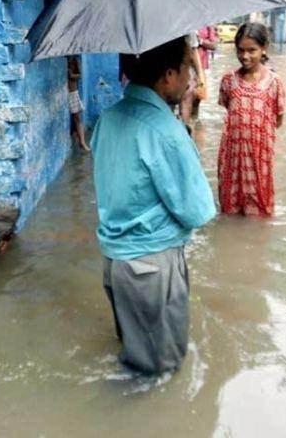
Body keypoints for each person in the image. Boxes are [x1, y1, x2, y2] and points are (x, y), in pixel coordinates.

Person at [91, 37, 216, 374]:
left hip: (115, 262)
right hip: (152, 267)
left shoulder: (108, 118)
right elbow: (198, 211)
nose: (191, 79)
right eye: (187, 70)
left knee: (135, 357)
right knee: (160, 372)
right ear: (168, 76)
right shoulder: (166, 131)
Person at [217, 23, 286, 217]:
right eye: (240, 50)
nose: (245, 56)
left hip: (259, 154)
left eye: (251, 50)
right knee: (230, 209)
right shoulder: (228, 80)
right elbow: (229, 110)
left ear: (264, 48)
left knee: (260, 209)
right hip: (232, 154)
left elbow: (278, 120)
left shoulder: (274, 82)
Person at [180, 26, 218, 127]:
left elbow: (213, 45)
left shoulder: (206, 26)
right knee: (187, 98)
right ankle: (186, 127)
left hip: (199, 67)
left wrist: (200, 40)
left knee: (196, 97)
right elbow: (194, 50)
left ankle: (194, 124)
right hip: (187, 66)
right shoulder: (189, 27)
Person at [67, 56, 90, 151]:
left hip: (72, 92)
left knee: (77, 118)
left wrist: (71, 75)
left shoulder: (74, 60)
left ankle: (82, 142)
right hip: (67, 92)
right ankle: (79, 140)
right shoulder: (65, 59)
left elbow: (79, 75)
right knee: (76, 118)